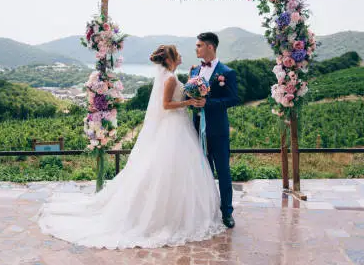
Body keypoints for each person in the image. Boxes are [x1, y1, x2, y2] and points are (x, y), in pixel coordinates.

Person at [38, 44, 225, 249]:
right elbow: (166, 105)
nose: (181, 56)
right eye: (178, 54)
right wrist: (188, 103)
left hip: (178, 125)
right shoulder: (170, 78)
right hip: (174, 125)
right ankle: (169, 217)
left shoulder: (169, 75)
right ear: (170, 59)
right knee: (171, 168)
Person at [189, 32, 240, 228]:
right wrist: (193, 103)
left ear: (210, 47)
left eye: (199, 45)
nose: (196, 48)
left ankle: (227, 212)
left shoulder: (226, 72)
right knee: (203, 171)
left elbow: (234, 99)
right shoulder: (194, 72)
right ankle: (206, 210)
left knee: (224, 172)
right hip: (196, 128)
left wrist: (207, 103)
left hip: (217, 130)